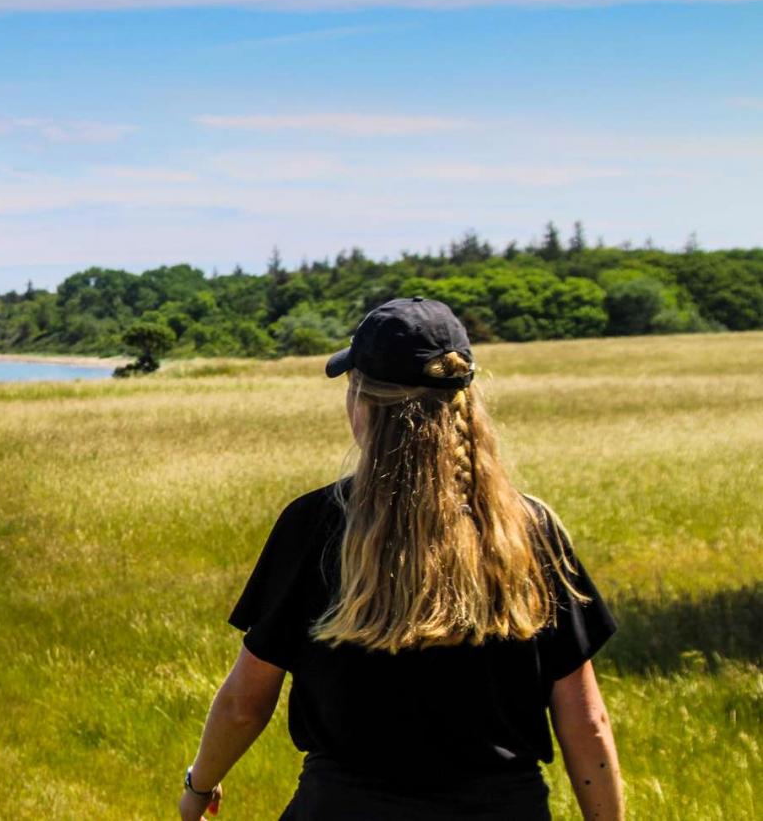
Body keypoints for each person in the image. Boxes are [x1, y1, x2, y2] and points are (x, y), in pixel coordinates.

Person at [178, 297, 622, 821]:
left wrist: (199, 787)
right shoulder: (529, 531)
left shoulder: (315, 524)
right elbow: (586, 720)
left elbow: (245, 705)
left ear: (363, 403)